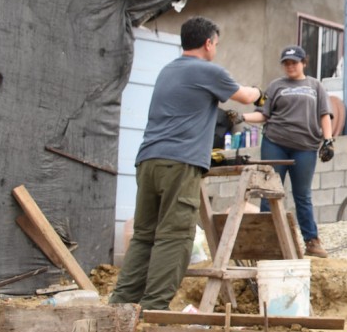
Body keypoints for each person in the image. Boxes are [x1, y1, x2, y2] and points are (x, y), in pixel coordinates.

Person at [110, 16, 263, 310]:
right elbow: (244, 97)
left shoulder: (168, 70)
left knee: (144, 236)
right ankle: (154, 308)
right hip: (179, 164)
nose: (215, 49)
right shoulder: (207, 70)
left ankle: (120, 305)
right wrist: (259, 92)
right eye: (216, 44)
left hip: (148, 161)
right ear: (208, 43)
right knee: (175, 235)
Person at [238, 45, 335, 258]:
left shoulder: (315, 86)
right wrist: (241, 117)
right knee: (269, 193)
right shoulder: (275, 86)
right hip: (275, 143)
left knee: (302, 195)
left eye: (294, 62)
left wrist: (328, 141)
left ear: (304, 63)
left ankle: (311, 240)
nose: (290, 66)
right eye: (287, 63)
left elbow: (324, 115)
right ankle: (267, 241)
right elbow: (264, 115)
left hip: (305, 147)